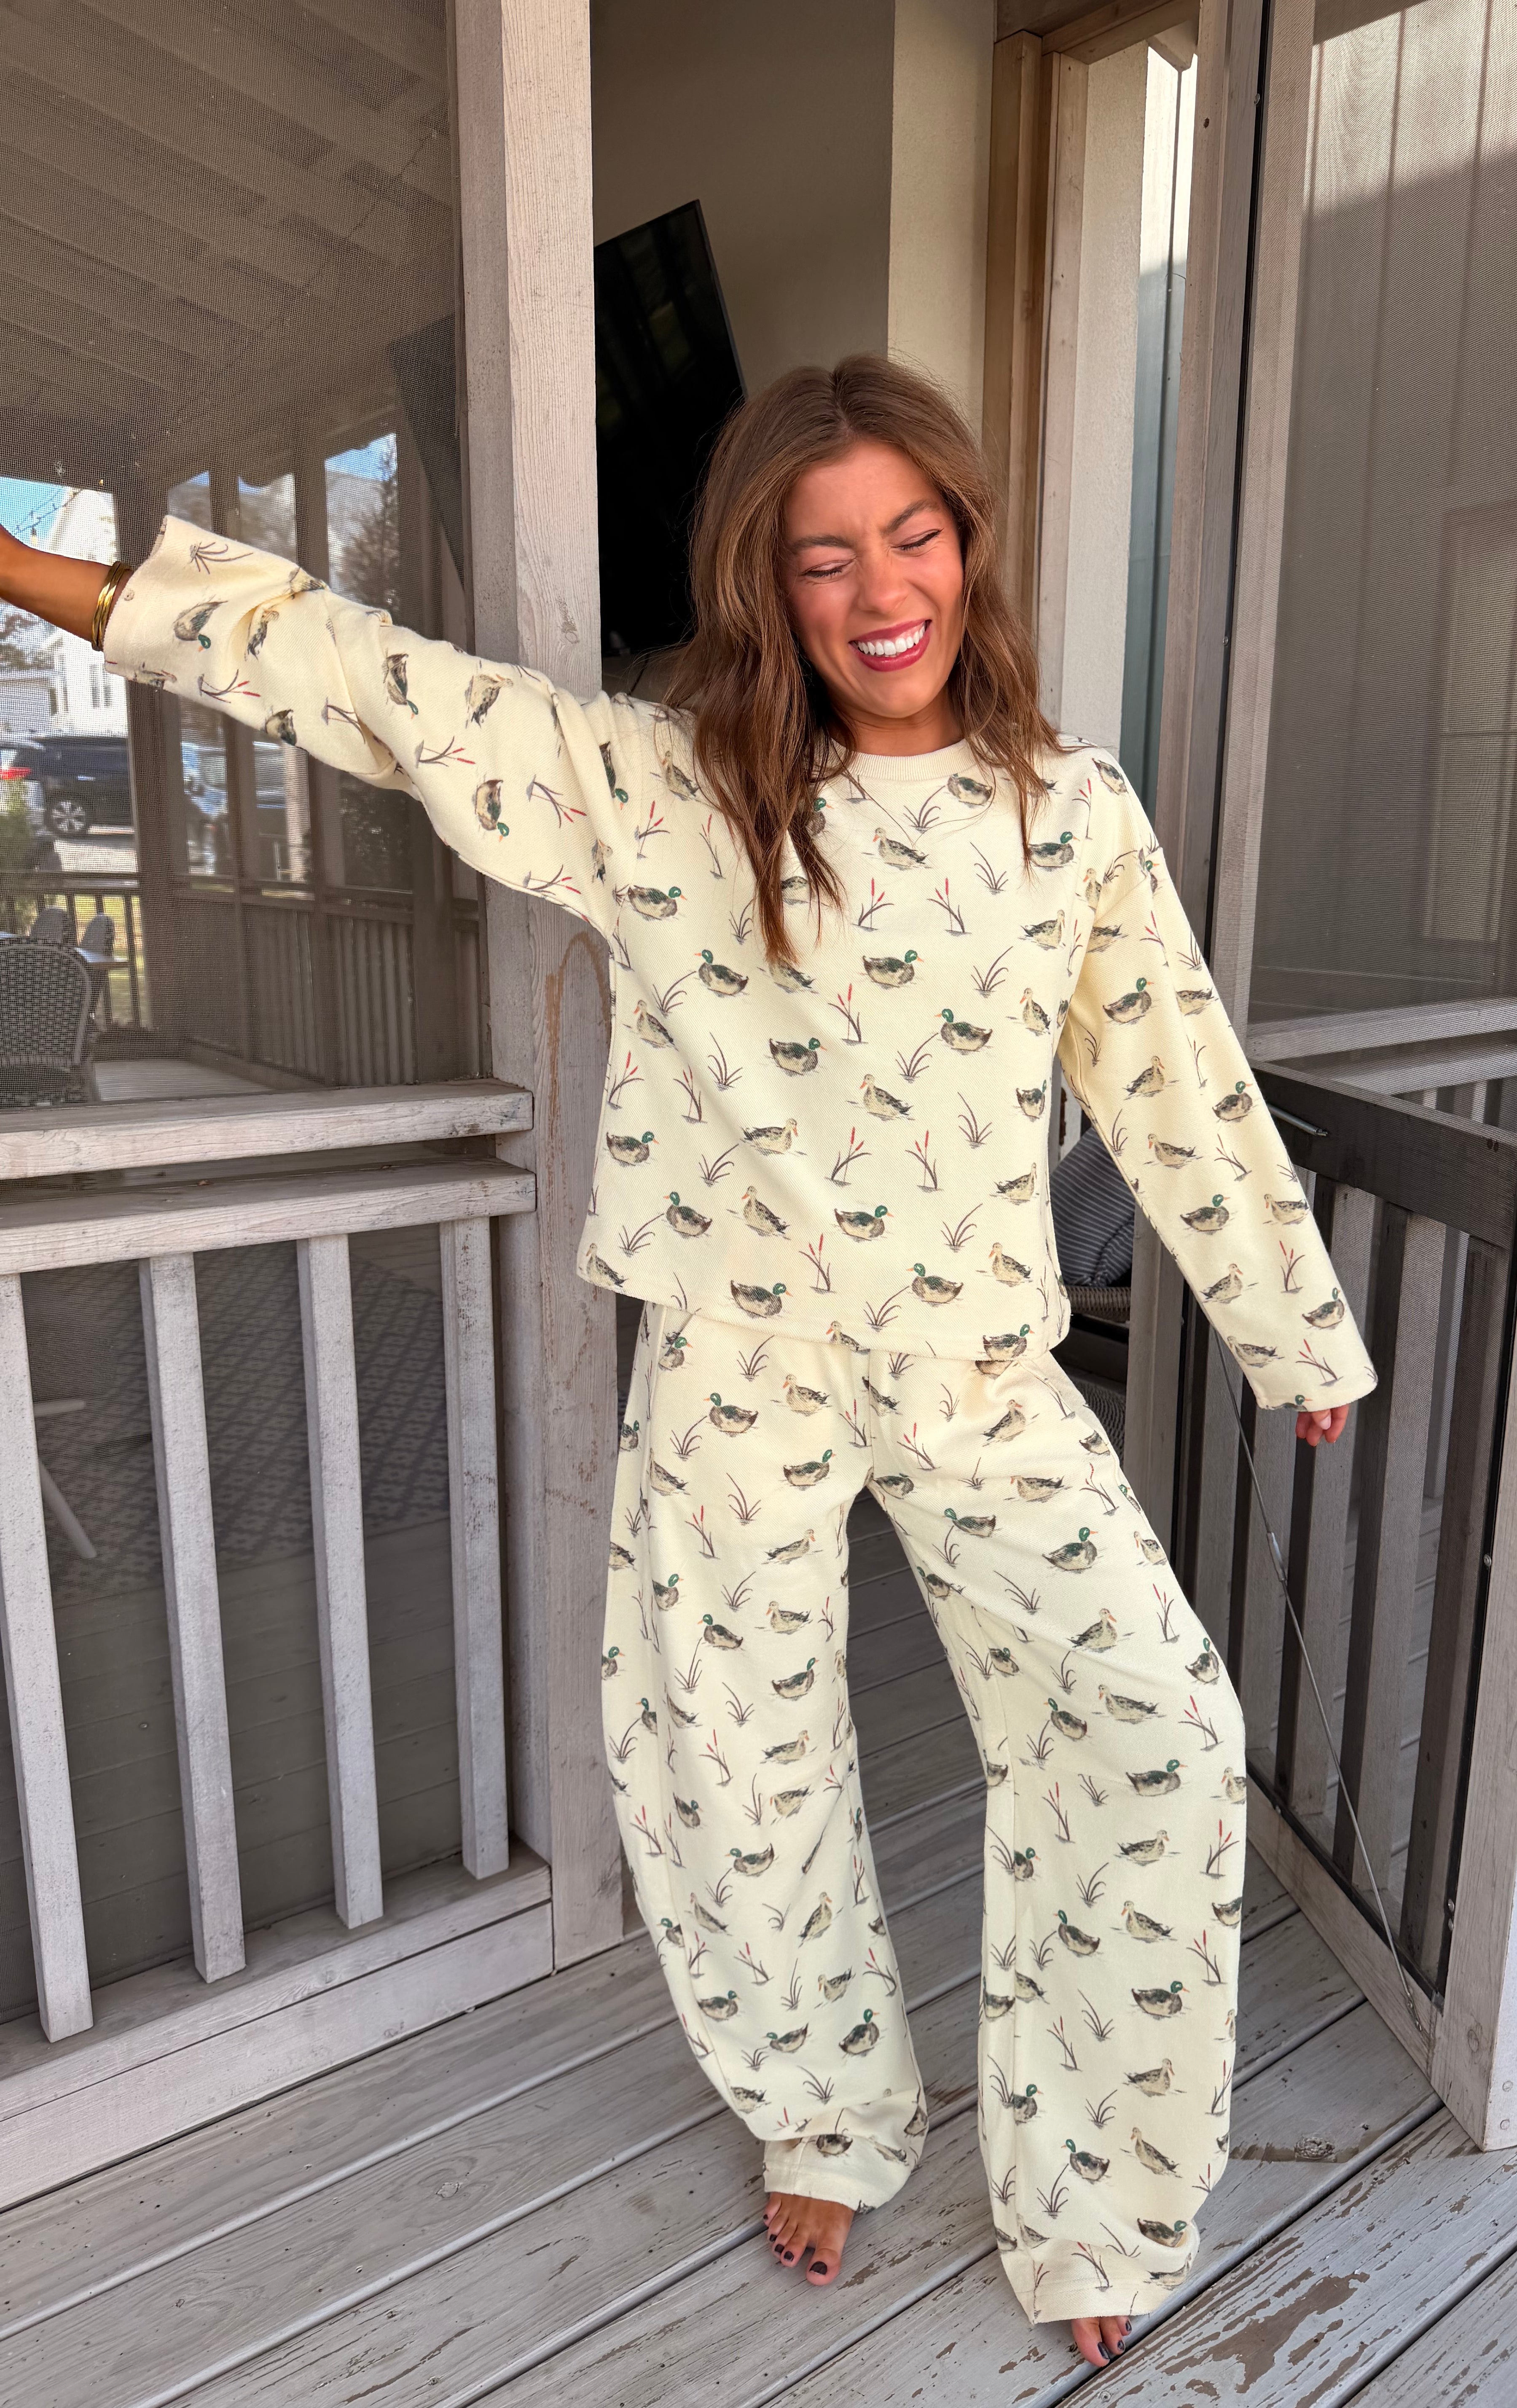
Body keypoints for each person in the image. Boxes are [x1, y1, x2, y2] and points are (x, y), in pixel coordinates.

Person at [0, 355, 1375, 2370]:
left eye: (913, 534)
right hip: (743, 1360)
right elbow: (366, 682)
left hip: (982, 1371)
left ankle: (1098, 2184)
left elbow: (1178, 1079)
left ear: (968, 545)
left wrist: (1288, 1324)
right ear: (769, 585)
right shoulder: (665, 787)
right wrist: (29, 567)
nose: (881, 589)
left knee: (1154, 1735)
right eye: (826, 557)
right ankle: (826, 2111)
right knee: (732, 1758)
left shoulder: (1070, 815)